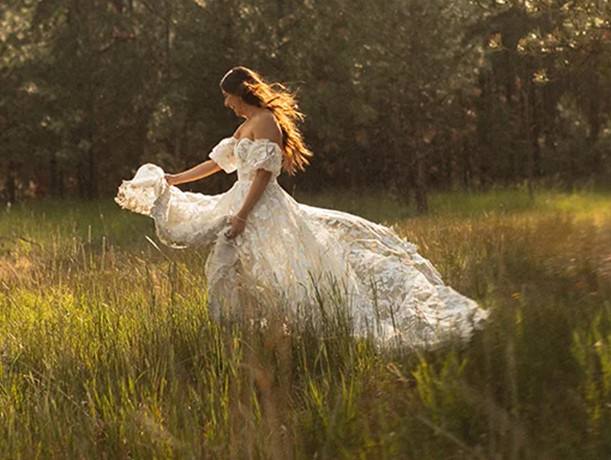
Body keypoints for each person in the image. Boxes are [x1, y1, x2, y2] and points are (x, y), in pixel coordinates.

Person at [115, 66, 488, 349]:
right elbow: (217, 164)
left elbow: (263, 175)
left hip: (261, 205)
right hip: (240, 198)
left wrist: (243, 214)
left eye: (228, 97)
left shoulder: (266, 123)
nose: (226, 103)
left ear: (241, 94)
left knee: (283, 269)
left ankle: (305, 329)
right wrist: (176, 179)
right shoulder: (245, 126)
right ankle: (254, 333)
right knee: (239, 263)